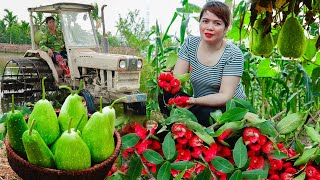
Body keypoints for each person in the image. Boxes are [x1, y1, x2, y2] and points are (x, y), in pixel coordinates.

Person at [172, 1, 246, 127]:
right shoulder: (190, 44)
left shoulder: (233, 53)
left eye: (217, 23)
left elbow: (225, 96)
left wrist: (194, 101)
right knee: (168, 96)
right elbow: (176, 81)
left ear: (226, 29)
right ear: (200, 22)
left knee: (205, 115)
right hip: (200, 103)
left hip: (227, 108)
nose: (209, 27)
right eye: (205, 21)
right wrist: (169, 83)